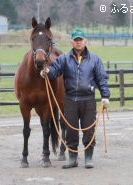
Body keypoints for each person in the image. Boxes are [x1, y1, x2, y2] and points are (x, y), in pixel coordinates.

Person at [40, 28, 110, 169]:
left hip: (88, 100)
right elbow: (55, 71)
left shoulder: (95, 59)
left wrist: (105, 96)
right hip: (70, 100)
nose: (78, 42)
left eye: (81, 40)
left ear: (85, 41)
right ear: (71, 42)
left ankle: (88, 158)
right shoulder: (64, 59)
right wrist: (47, 71)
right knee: (70, 131)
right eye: (76, 40)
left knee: (89, 130)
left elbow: (101, 79)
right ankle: (72, 159)